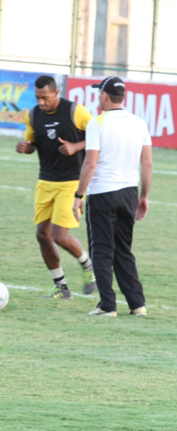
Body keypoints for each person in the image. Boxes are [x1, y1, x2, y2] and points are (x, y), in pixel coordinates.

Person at [73, 77, 152, 317]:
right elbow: (146, 163)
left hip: (103, 193)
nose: (98, 97)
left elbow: (90, 164)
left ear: (105, 96)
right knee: (123, 250)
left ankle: (107, 305)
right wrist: (144, 196)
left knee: (102, 249)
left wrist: (79, 195)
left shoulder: (98, 123)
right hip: (129, 192)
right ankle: (137, 305)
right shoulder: (139, 122)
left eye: (99, 93)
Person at [16, 75, 97, 299]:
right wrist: (25, 147)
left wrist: (76, 146)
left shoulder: (76, 112)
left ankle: (89, 267)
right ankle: (61, 286)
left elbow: (100, 137)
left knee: (59, 236)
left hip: (71, 182)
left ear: (56, 93)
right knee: (42, 235)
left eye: (45, 98)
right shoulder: (32, 115)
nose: (41, 103)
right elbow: (33, 144)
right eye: (37, 98)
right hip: (45, 181)